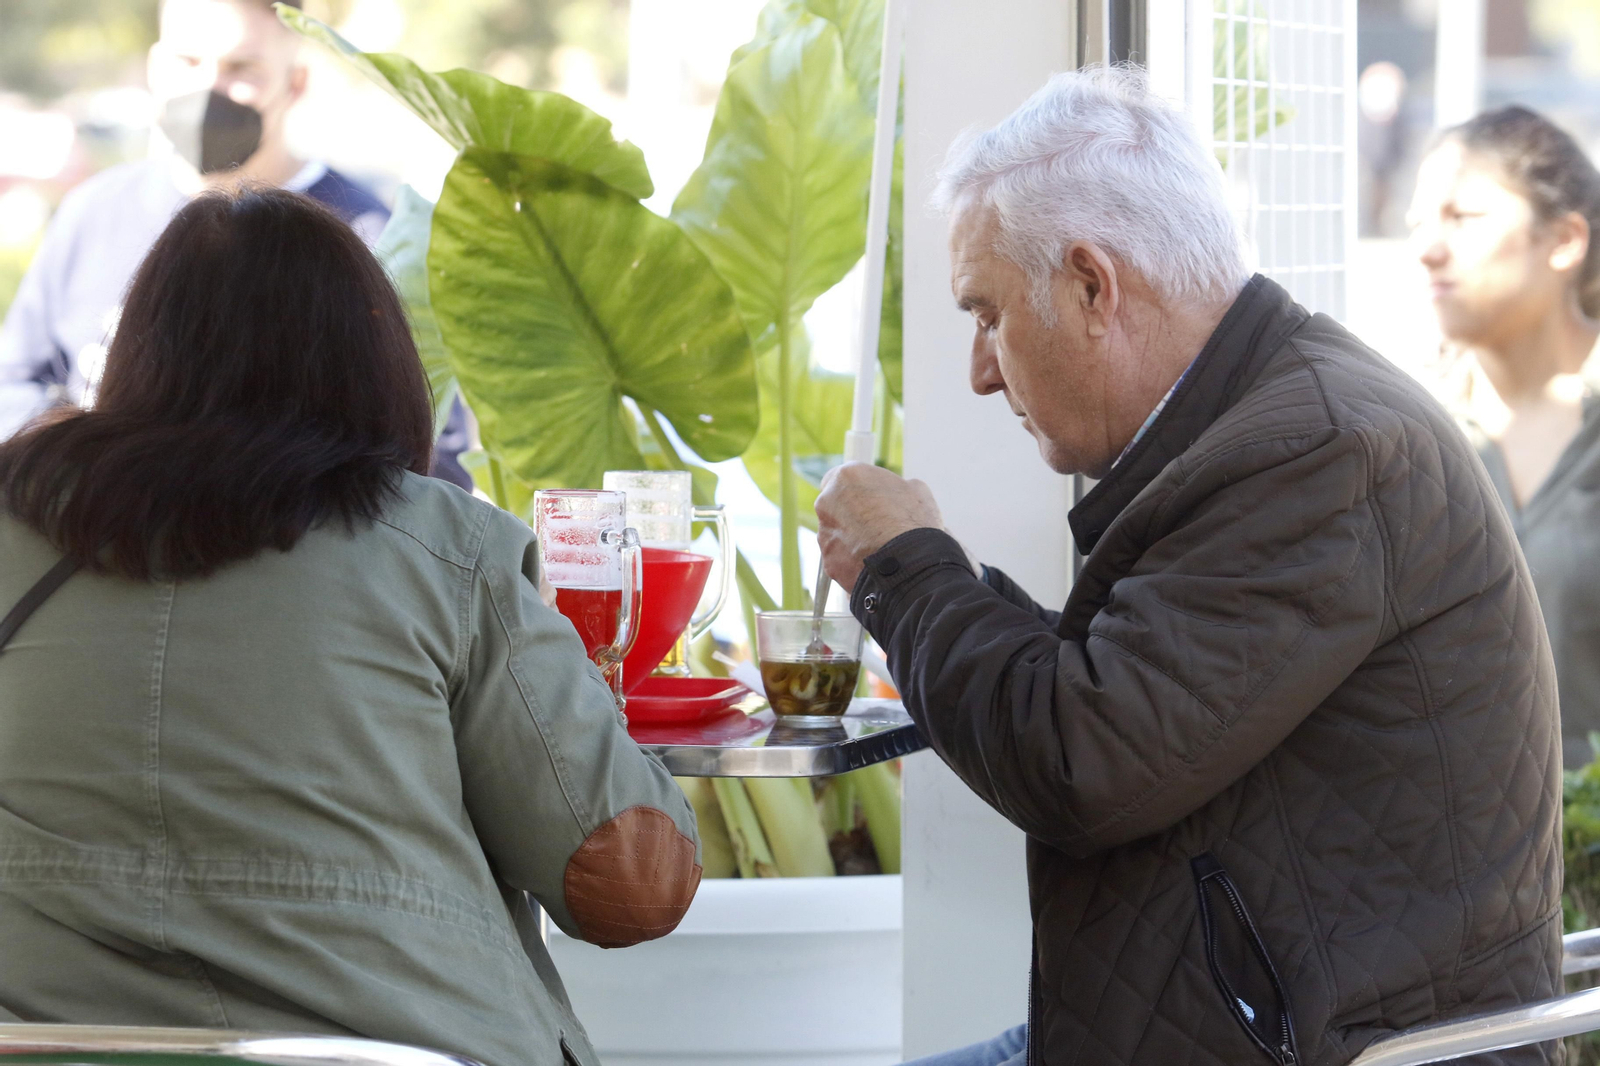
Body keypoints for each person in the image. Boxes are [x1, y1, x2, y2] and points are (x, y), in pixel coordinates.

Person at [815, 68, 1561, 1066]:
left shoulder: (1318, 454)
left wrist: (906, 569)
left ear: (1091, 285)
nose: (981, 369)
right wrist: (942, 594)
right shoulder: (1272, 424)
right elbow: (1132, 695)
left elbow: (1079, 758)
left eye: (986, 314)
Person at [0, 188, 701, 1066]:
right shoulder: (444, 550)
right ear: (373, 362)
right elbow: (629, 887)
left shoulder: (14, 530)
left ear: (141, 350)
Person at [0, 0, 471, 488]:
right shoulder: (92, 212)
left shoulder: (372, 240)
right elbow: (13, 386)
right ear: (155, 68)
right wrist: (88, 460)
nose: (208, 88)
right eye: (187, 62)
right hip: (96, 535)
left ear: (295, 84)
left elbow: (428, 453)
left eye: (241, 68)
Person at [1408, 105, 1600, 769]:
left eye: (1462, 218)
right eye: (1420, 224)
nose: (1427, 248)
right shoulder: (1403, 435)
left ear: (1565, 240)